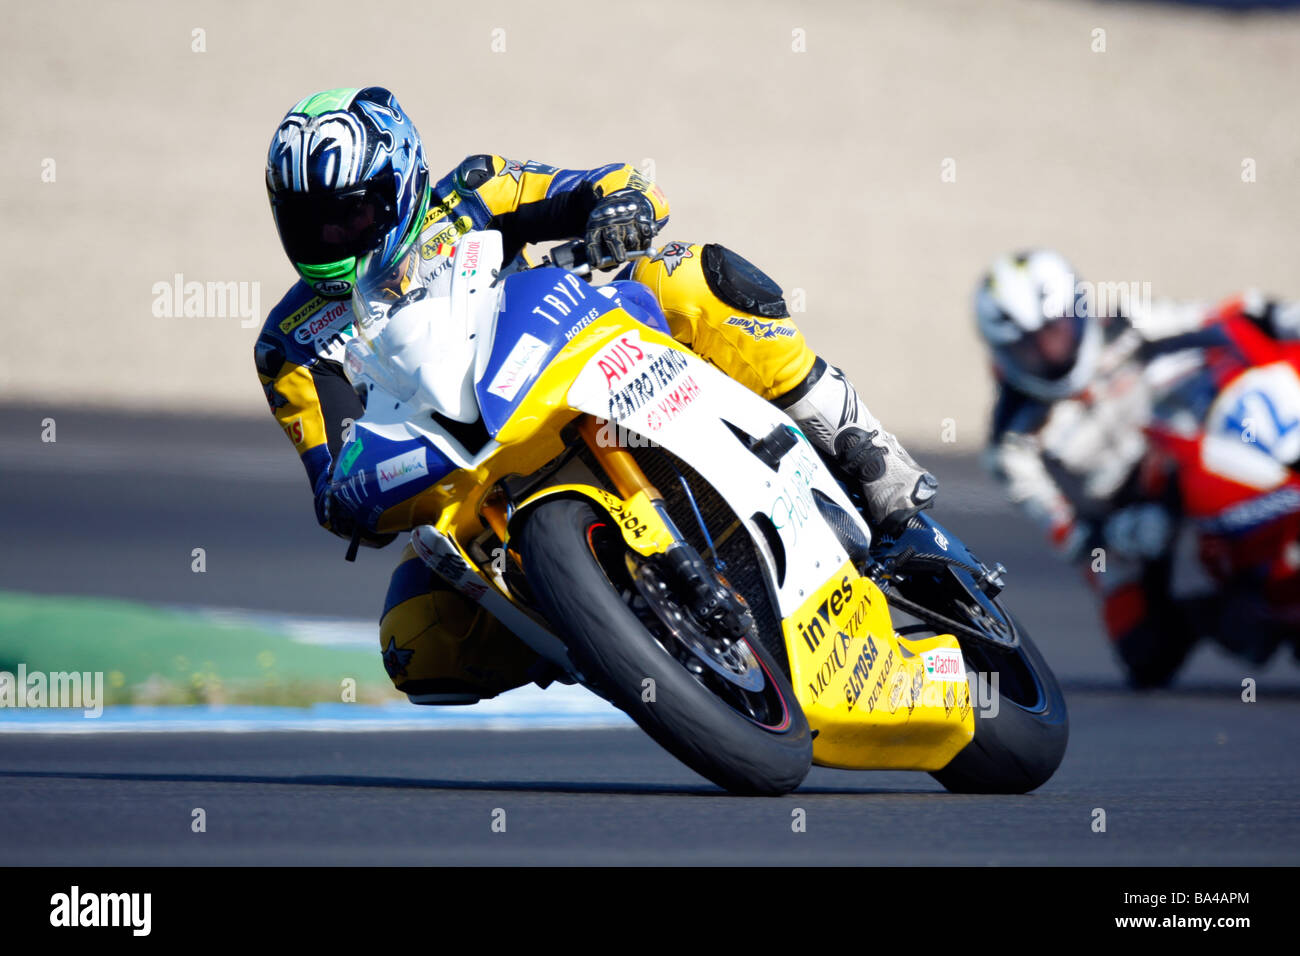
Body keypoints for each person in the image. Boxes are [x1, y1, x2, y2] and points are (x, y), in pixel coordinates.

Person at [256, 86, 938, 704]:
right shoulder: (288, 345)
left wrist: (622, 211)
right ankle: (607, 634)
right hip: (465, 478)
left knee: (692, 279)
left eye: (348, 216)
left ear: (401, 184)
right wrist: (351, 496)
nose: (330, 240)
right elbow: (335, 477)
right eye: (308, 224)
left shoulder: (474, 193)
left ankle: (880, 479)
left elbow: (614, 183)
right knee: (417, 640)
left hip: (568, 370)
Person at [974, 248, 1300, 686]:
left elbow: (1226, 315)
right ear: (1004, 355)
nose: (1051, 348)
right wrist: (1112, 536)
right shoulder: (1011, 441)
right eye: (1030, 345)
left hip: (1186, 448)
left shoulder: (1128, 323)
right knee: (1144, 650)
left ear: (1079, 308)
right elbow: (1067, 533)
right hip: (1125, 514)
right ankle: (1227, 612)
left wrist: (1278, 317)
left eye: (1057, 327)